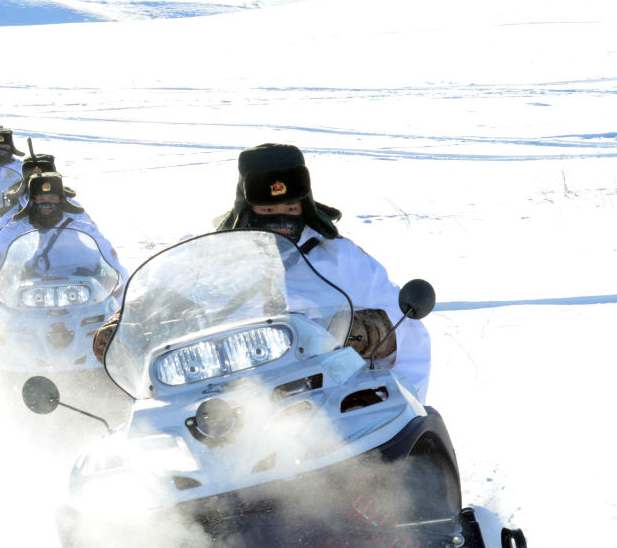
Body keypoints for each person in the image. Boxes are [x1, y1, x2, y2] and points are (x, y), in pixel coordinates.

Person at [93, 143, 432, 402]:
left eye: (290, 207)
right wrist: (123, 328)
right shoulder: (205, 255)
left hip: (327, 396)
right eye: (268, 209)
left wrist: (367, 332)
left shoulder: (340, 257)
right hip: (222, 401)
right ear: (246, 207)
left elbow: (406, 328)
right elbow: (152, 297)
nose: (281, 219)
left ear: (305, 205)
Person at [0, 170, 127, 294]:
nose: (46, 203)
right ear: (31, 201)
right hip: (26, 297)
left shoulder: (82, 228)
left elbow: (109, 260)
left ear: (61, 200)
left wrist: (110, 278)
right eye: (40, 199)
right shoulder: (14, 229)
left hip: (79, 295)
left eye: (52, 198)